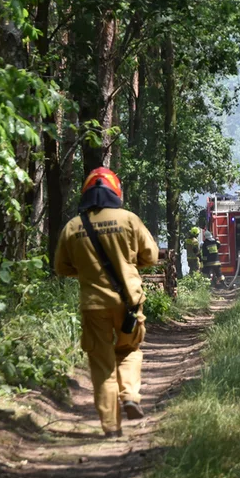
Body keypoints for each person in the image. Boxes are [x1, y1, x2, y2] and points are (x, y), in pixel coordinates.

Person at [54, 168, 158, 439]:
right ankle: (131, 396)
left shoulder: (73, 226)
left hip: (93, 305)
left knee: (102, 364)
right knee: (130, 349)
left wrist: (87, 270)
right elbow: (151, 255)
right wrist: (129, 264)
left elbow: (61, 267)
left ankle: (111, 427)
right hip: (129, 304)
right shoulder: (129, 219)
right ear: (116, 192)